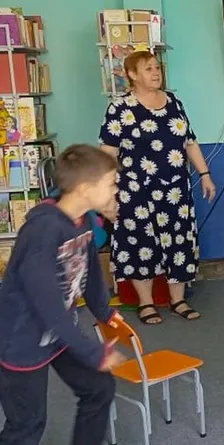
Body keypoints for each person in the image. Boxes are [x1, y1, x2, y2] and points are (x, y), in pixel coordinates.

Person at [0, 144, 126, 445]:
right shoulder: (42, 230)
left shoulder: (83, 220)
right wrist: (92, 352)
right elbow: (47, 304)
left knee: (99, 389)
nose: (115, 191)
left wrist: (104, 310)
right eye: (111, 183)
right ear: (84, 189)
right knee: (27, 426)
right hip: (21, 340)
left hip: (58, 333)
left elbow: (90, 269)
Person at [99, 49, 216, 325]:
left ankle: (178, 300)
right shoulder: (120, 108)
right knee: (141, 243)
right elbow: (107, 153)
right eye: (148, 68)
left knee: (179, 242)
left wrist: (205, 174)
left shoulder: (174, 102)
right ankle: (146, 303)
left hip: (175, 190)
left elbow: (189, 142)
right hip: (135, 192)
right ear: (132, 74)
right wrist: (105, 192)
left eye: (157, 67)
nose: (155, 72)